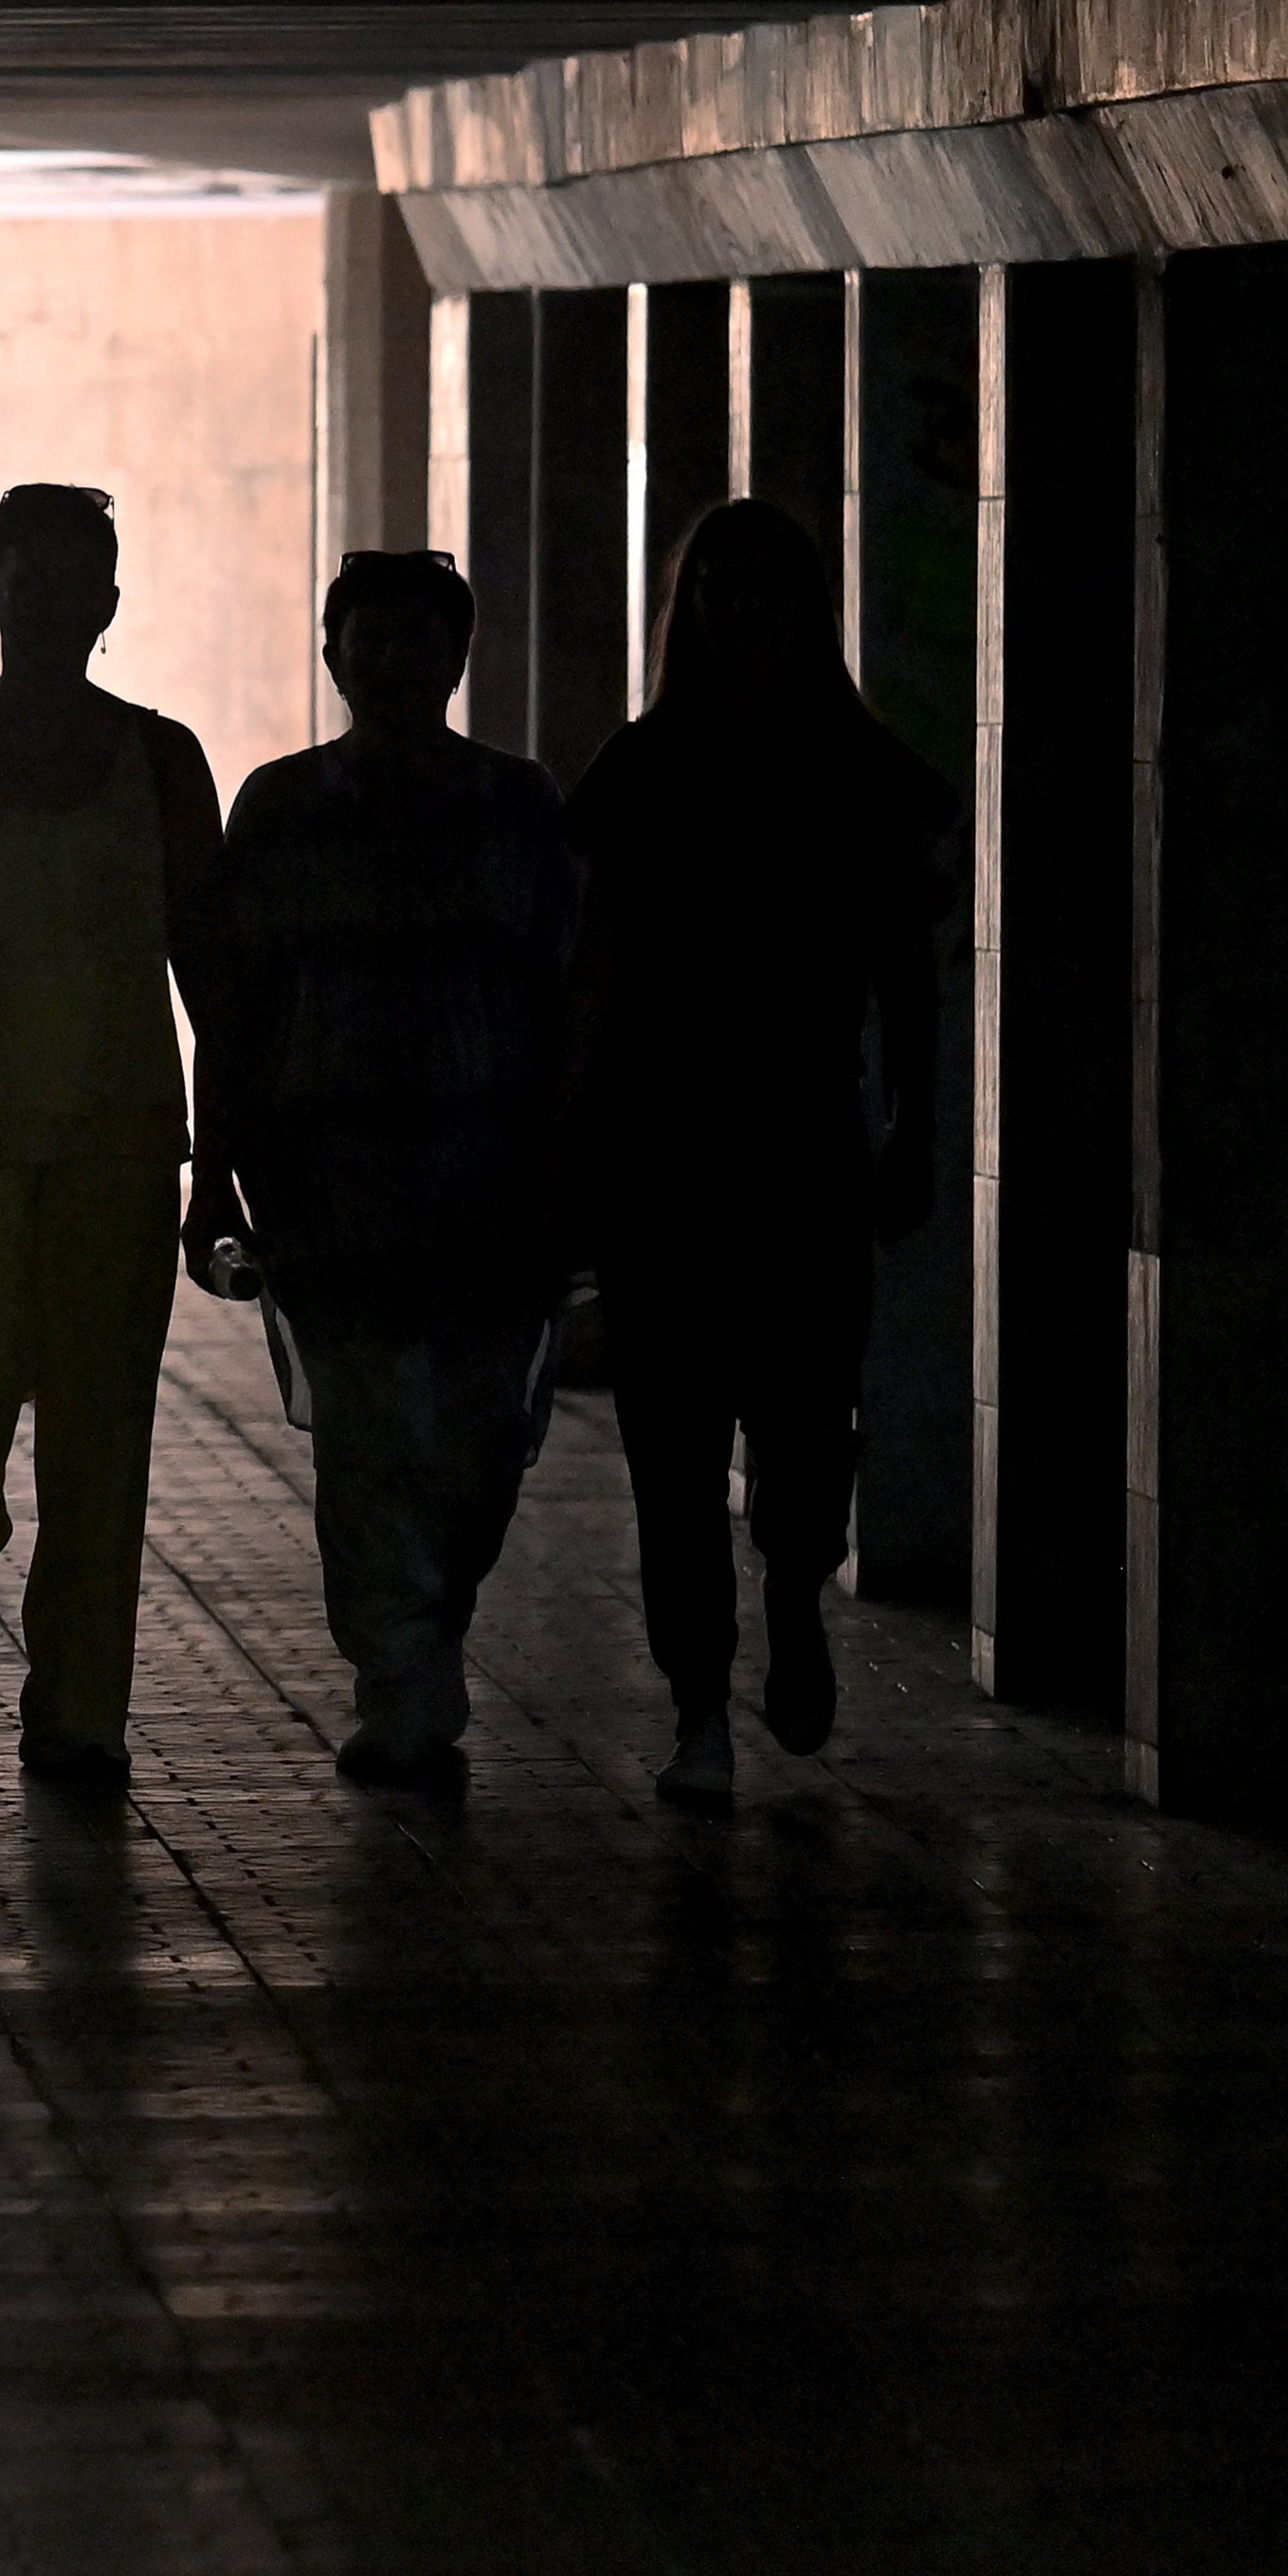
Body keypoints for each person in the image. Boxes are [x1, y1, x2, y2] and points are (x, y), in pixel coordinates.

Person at [565, 495, 954, 1809]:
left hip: (797, 1142)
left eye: (763, 591)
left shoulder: (853, 774)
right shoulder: (647, 770)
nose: (742, 617)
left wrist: (917, 1118)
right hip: (666, 1149)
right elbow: (595, 972)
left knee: (798, 1424)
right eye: (719, 593)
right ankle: (698, 1701)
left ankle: (790, 1595)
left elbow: (910, 973)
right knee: (671, 1450)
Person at [0, 483, 237, 1778]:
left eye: (84, 579)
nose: (59, 599)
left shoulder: (161, 761)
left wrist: (220, 1164)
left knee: (100, 1434)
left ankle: (78, 1704)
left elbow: (211, 973)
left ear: (109, 606)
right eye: (35, 574)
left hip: (117, 1143)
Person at [220, 550, 581, 1779]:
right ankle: (397, 1677)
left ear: (456, 658)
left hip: (491, 1175)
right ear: (332, 656)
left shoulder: (519, 806)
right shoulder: (276, 809)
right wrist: (217, 1177)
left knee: (478, 1438)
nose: (389, 662)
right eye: (365, 639)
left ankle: (431, 1626)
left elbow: (564, 993)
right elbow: (237, 1004)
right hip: (329, 1178)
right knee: (368, 1439)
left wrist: (568, 1167)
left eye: (415, 640)